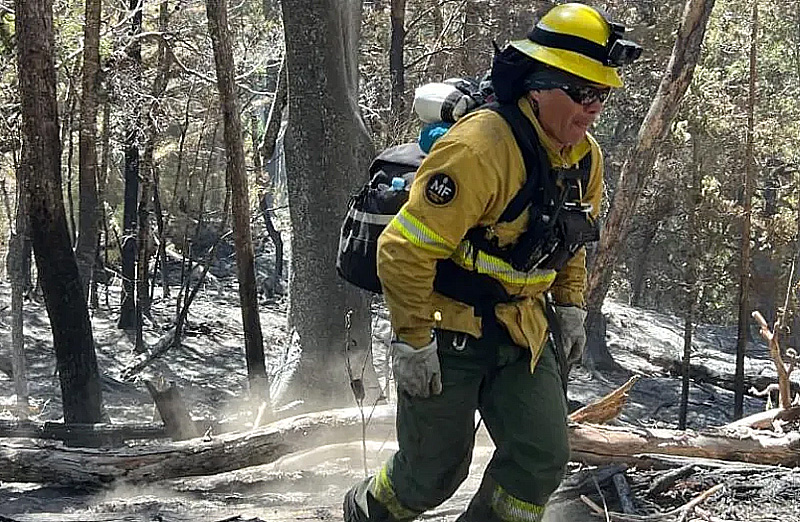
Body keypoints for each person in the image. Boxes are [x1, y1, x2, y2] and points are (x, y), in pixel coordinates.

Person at [343, 3, 641, 521]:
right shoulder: (480, 149)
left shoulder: (586, 158)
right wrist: (412, 342)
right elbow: (403, 250)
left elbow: (571, 240)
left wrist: (570, 307)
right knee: (430, 475)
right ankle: (366, 510)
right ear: (538, 85)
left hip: (522, 331)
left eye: (603, 94)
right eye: (583, 92)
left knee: (540, 461)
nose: (594, 107)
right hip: (446, 330)